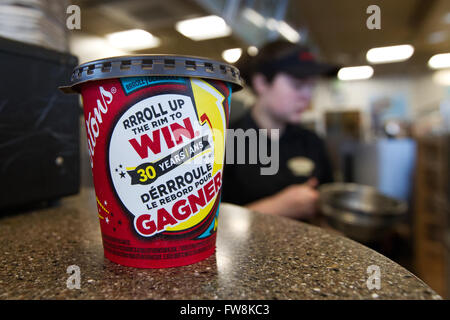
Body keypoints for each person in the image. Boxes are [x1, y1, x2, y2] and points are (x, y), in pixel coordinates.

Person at [221, 40, 335, 221]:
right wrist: (277, 207)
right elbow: (209, 223)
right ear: (262, 83)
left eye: (311, 86)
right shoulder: (226, 143)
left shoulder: (312, 142)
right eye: (297, 85)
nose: (307, 95)